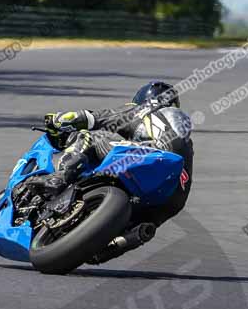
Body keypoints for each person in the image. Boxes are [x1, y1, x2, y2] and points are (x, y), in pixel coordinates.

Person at [41, 81, 193, 263]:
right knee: (146, 223)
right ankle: (121, 241)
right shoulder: (187, 143)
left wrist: (60, 119)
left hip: (144, 157)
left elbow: (95, 118)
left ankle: (61, 176)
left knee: (93, 136)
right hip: (173, 195)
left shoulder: (146, 109)